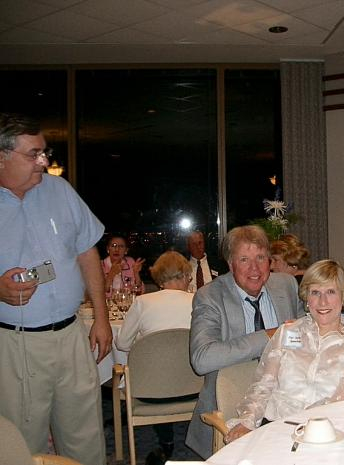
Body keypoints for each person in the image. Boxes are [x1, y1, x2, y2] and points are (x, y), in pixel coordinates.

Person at [0, 113, 112, 465]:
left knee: (86, 438)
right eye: (33, 154)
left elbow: (87, 252)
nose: (44, 162)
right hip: (16, 344)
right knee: (23, 442)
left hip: (71, 334)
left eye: (44, 152)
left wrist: (102, 317)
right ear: (1, 157)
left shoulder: (59, 190)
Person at [224, 259, 344, 443]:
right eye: (315, 293)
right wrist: (248, 421)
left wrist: (304, 432)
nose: (323, 301)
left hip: (324, 434)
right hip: (273, 428)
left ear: (343, 297)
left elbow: (340, 403)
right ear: (306, 298)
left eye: (330, 292)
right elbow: (263, 385)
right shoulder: (286, 332)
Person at [185, 225, 305, 458]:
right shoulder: (210, 296)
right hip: (232, 406)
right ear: (230, 264)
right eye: (244, 259)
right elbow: (201, 359)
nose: (255, 268)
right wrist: (270, 336)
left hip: (285, 403)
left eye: (260, 258)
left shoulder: (286, 285)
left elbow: (304, 335)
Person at [116, 250, 194, 461]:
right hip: (195, 389)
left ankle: (166, 441)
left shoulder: (142, 303)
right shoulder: (199, 301)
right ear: (186, 275)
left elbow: (122, 344)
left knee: (160, 375)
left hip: (150, 392)